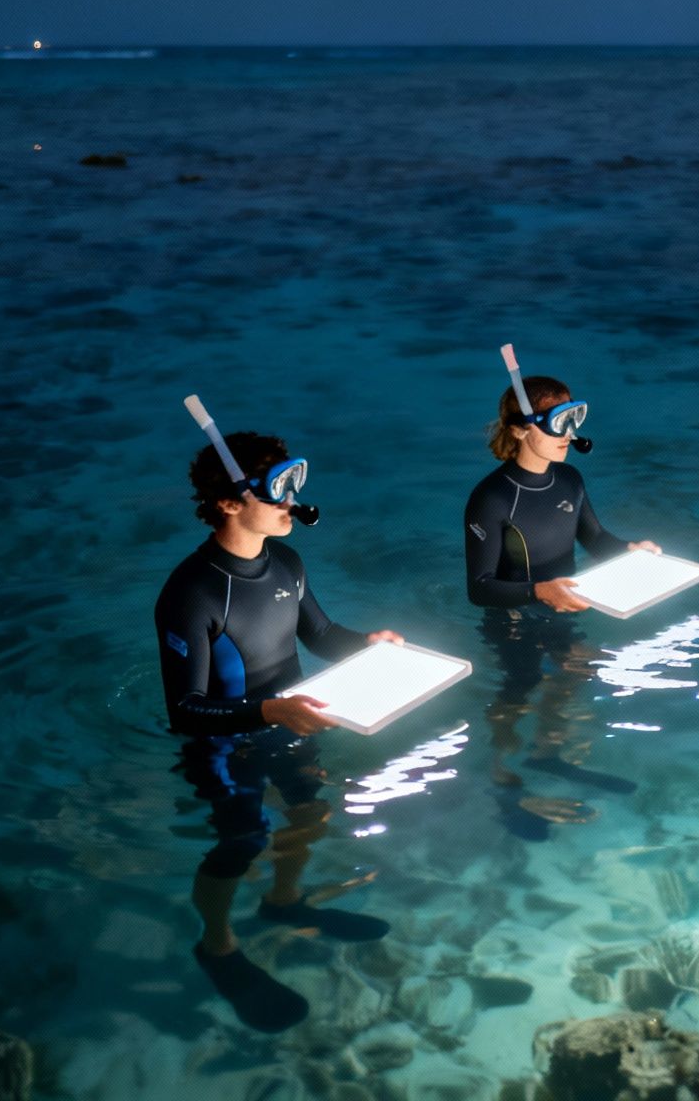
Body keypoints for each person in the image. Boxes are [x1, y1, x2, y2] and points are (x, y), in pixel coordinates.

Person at [155, 430, 399, 1033]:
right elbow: (183, 708)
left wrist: (368, 645)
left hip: (290, 723)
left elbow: (319, 635)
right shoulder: (192, 592)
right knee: (243, 840)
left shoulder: (286, 560)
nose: (292, 502)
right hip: (223, 743)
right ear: (231, 502)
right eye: (277, 490)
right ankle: (217, 946)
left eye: (295, 485)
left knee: (311, 810)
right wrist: (267, 713)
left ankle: (283, 901)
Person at [463, 369, 657, 837]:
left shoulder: (569, 479)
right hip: (512, 621)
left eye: (572, 418)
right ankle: (502, 780)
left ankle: (547, 753)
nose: (569, 434)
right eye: (557, 422)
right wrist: (538, 592)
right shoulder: (490, 498)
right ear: (518, 429)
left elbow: (596, 538)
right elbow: (479, 587)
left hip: (561, 608)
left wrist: (631, 550)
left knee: (573, 676)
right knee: (517, 695)